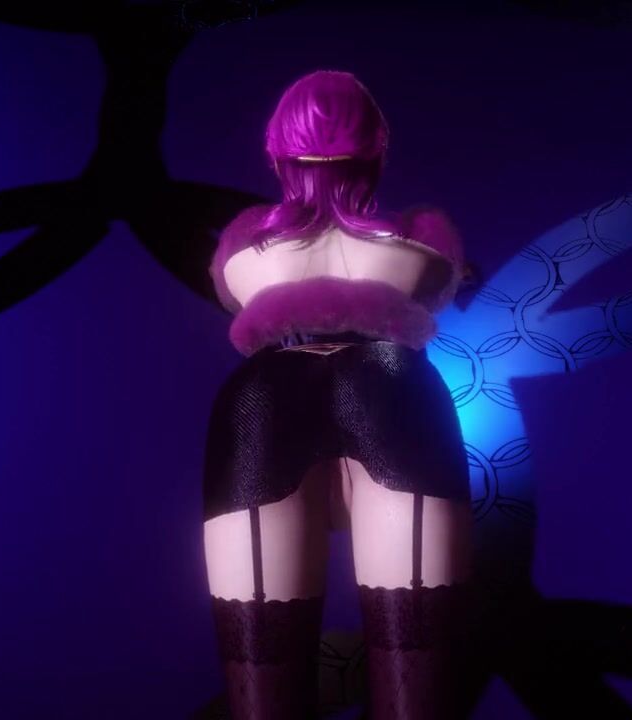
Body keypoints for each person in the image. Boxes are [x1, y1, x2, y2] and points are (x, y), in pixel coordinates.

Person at [203, 69, 476, 719]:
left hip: (264, 402)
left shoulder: (242, 262)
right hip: (393, 391)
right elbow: (440, 285)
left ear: (278, 154)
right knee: (416, 679)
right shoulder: (420, 252)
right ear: (376, 151)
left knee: (262, 685)